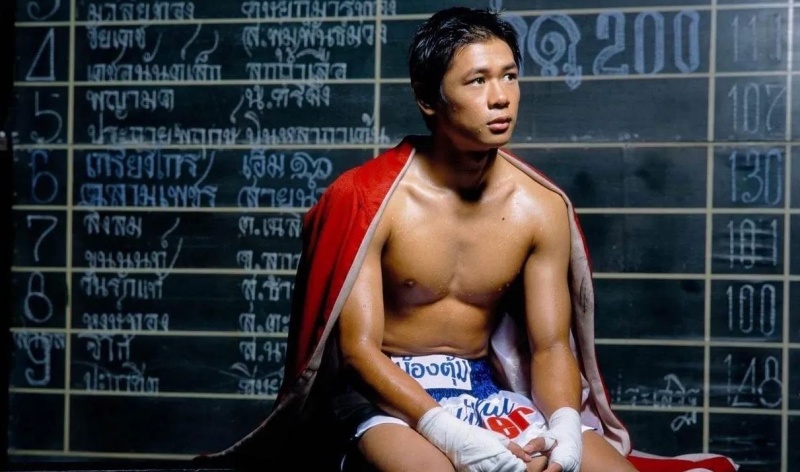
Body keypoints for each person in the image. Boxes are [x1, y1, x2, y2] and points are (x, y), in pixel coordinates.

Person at [195, 7, 739, 472]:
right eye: (477, 81)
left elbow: (551, 345)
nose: (501, 98)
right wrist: (450, 434)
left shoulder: (539, 206)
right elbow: (358, 352)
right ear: (428, 98)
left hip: (484, 387)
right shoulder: (367, 199)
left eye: (510, 76)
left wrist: (565, 429)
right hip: (385, 397)